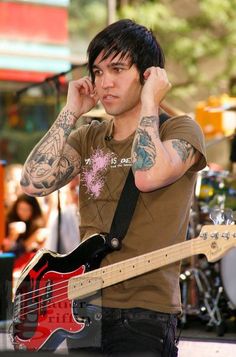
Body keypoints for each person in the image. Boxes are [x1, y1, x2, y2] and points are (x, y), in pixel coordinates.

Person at [20, 19, 207, 356]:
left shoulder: (180, 131)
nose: (104, 82)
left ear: (149, 75)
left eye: (117, 69)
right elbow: (33, 182)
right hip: (84, 309)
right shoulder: (89, 136)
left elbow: (147, 176)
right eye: (98, 71)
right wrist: (70, 112)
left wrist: (151, 102)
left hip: (145, 313)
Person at [2, 193, 46, 265]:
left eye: (27, 209)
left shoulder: (37, 225)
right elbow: (6, 252)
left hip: (29, 264)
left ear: (33, 210)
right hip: (14, 263)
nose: (23, 212)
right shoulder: (9, 222)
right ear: (16, 208)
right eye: (21, 209)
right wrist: (12, 236)